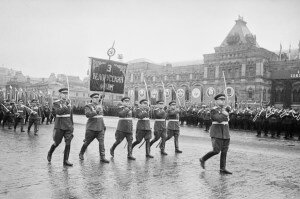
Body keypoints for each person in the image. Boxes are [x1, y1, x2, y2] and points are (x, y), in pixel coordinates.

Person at [199, 94, 232, 175]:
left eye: (224, 99)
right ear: (216, 101)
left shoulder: (224, 109)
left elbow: (227, 120)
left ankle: (222, 168)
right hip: (217, 133)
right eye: (221, 99)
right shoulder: (213, 110)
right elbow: (219, 119)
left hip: (225, 132)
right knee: (216, 151)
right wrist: (226, 113)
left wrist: (226, 112)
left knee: (224, 151)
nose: (223, 101)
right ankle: (203, 159)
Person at [78, 93, 109, 163]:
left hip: (100, 128)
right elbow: (87, 115)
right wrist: (96, 111)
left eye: (97, 98)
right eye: (95, 98)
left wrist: (103, 126)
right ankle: (81, 153)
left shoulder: (100, 105)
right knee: (87, 142)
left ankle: (102, 157)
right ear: (91, 99)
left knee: (101, 143)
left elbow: (101, 117)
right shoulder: (88, 106)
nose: (97, 99)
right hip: (91, 128)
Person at [47, 88, 74, 166]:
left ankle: (66, 160)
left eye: (66, 94)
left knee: (68, 142)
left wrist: (72, 125)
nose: (65, 95)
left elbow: (71, 115)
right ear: (60, 94)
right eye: (63, 93)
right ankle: (50, 152)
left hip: (68, 126)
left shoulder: (69, 103)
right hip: (60, 125)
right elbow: (58, 112)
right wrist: (65, 106)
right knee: (57, 142)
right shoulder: (56, 103)